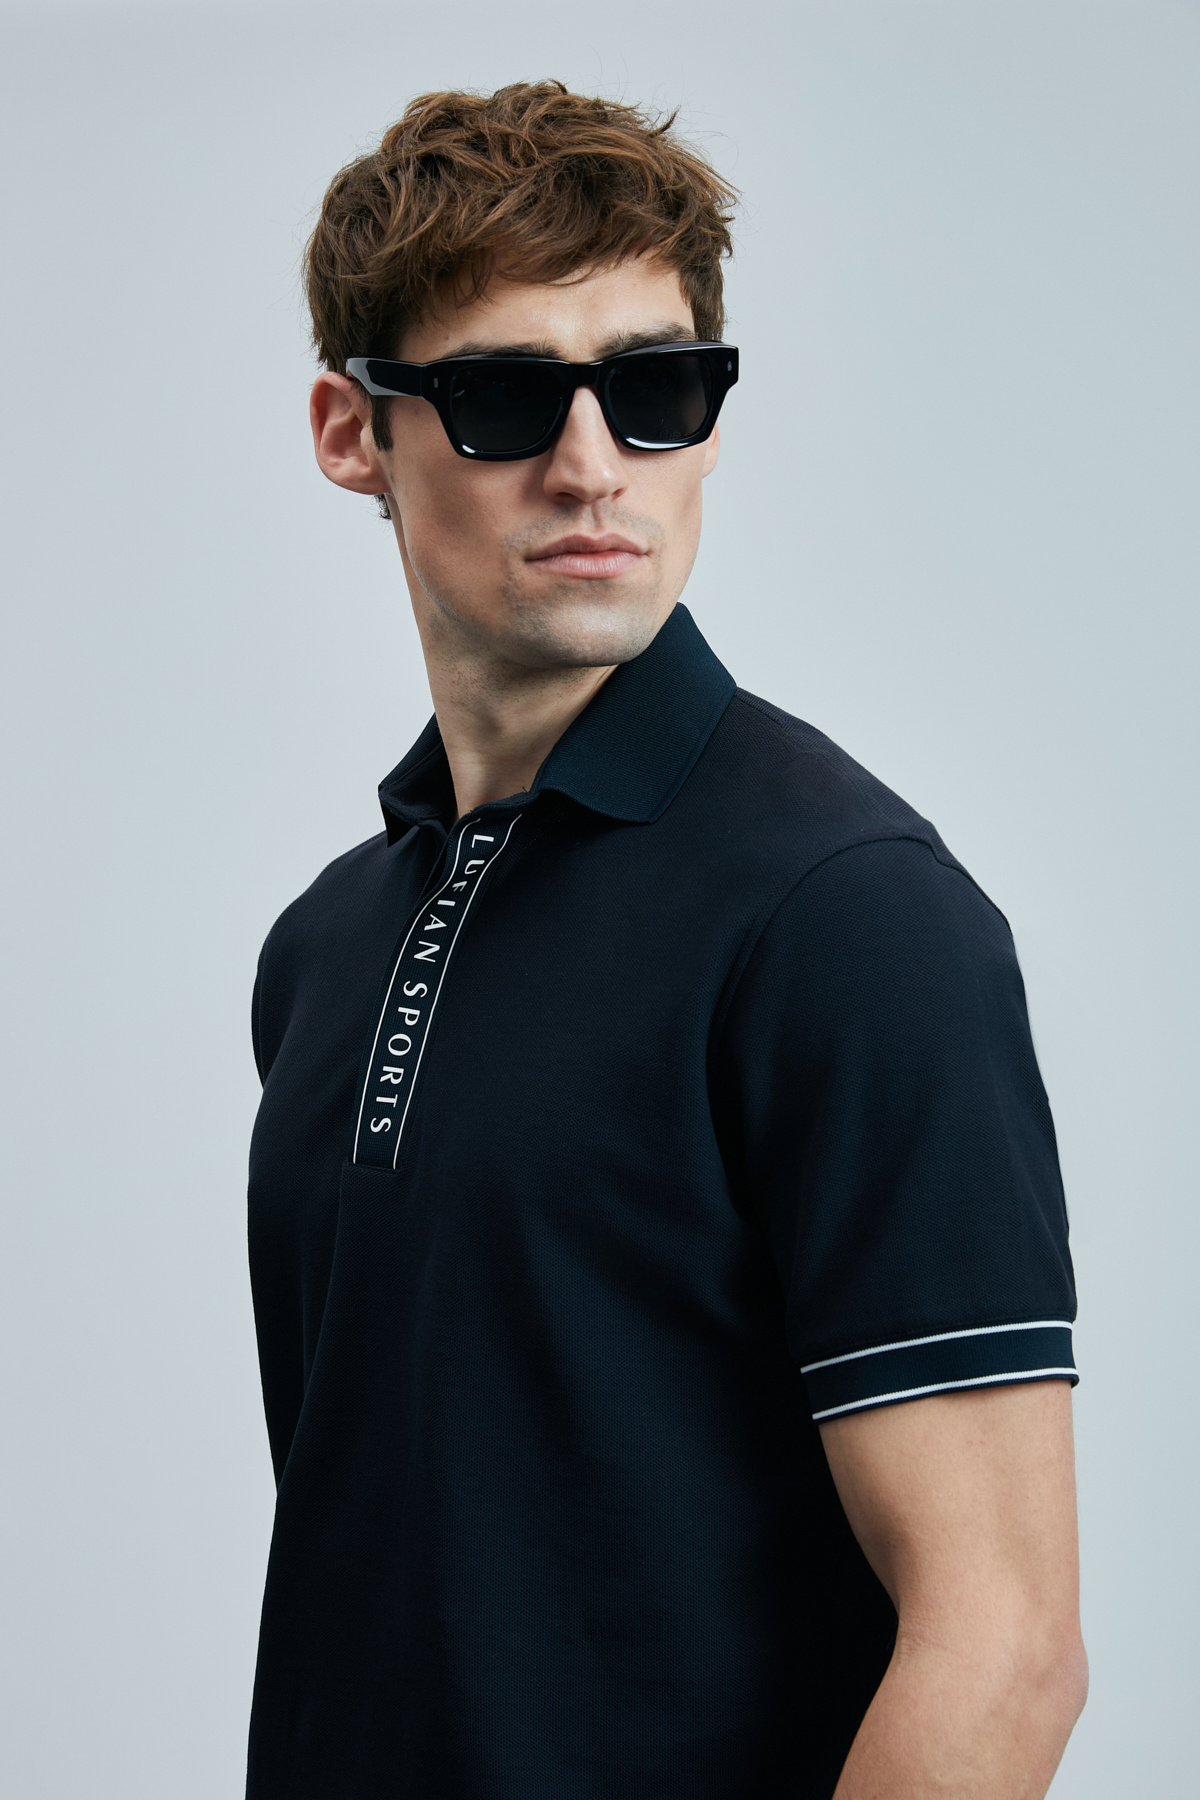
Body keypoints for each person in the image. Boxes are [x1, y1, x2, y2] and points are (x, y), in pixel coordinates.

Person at [246, 81, 1086, 1800]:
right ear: (352, 431)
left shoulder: (846, 914)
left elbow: (1003, 1651)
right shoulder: (328, 944)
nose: (590, 466)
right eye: (502, 397)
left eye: (656, 389)